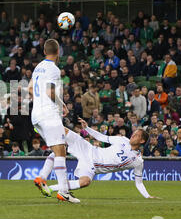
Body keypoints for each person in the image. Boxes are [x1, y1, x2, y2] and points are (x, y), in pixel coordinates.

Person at [35, 118, 159, 199]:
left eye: (137, 135)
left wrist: (148, 196)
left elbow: (139, 182)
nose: (133, 135)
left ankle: (50, 188)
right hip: (89, 150)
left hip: (92, 166)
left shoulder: (138, 161)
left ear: (142, 141)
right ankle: (43, 129)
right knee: (63, 133)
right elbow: (102, 138)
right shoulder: (123, 140)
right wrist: (87, 128)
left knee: (85, 182)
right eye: (134, 133)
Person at [29, 39, 79, 204]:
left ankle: (42, 177)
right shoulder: (54, 69)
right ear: (59, 52)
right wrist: (62, 104)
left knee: (60, 148)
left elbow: (30, 89)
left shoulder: (38, 68)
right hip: (48, 114)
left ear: (44, 52)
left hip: (36, 115)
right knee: (60, 153)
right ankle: (64, 192)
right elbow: (51, 92)